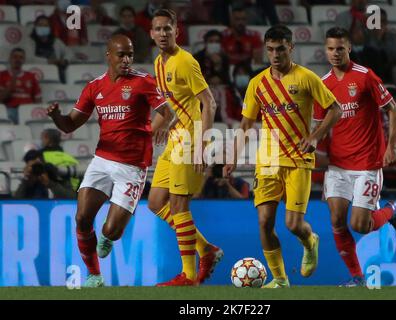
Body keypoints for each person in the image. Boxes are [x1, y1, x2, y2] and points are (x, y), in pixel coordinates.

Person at [46, 34, 176, 287]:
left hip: (132, 167)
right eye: (121, 54)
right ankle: (94, 275)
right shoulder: (95, 87)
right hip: (102, 161)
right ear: (109, 55)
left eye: (130, 54)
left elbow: (167, 112)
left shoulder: (143, 82)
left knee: (110, 231)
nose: (126, 60)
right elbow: (70, 125)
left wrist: (156, 129)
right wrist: (56, 117)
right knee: (82, 217)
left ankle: (108, 236)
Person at [224, 25, 342, 288]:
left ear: (291, 47)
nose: (275, 55)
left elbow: (336, 109)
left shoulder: (307, 78)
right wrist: (232, 157)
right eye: (270, 50)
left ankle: (310, 241)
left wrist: (314, 136)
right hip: (267, 161)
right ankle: (280, 279)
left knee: (292, 224)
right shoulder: (257, 83)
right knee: (264, 222)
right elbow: (245, 125)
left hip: (298, 160)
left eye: (280, 49)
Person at [313, 27, 396, 287]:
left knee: (360, 225)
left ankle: (391, 211)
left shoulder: (365, 76)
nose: (335, 53)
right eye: (331, 48)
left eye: (340, 48)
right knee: (335, 219)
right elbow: (320, 127)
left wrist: (391, 146)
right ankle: (357, 277)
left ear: (349, 48)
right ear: (325, 49)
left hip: (367, 163)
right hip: (337, 165)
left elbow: (393, 110)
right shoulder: (322, 85)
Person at [148, 9, 223, 286]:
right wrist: (152, 130)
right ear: (152, 33)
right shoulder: (158, 63)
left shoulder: (186, 62)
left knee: (179, 205)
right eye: (158, 29)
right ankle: (206, 249)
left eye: (168, 28)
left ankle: (189, 275)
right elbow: (172, 107)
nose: (163, 33)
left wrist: (202, 145)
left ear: (176, 30)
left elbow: (209, 103)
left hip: (191, 138)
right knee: (156, 202)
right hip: (175, 137)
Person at [0, 48, 42, 124]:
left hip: (27, 109)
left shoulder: (31, 76)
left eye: (21, 57)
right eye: (15, 57)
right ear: (10, 59)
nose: (18, 60)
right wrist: (13, 80)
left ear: (24, 60)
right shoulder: (2, 75)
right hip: (10, 108)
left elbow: (38, 99)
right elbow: (1, 98)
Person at [28, 15, 69, 83]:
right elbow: (28, 58)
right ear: (35, 27)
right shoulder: (29, 41)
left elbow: (69, 52)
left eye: (46, 25)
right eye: (40, 25)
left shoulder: (56, 41)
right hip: (36, 72)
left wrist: (65, 60)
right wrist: (48, 61)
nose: (43, 27)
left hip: (55, 73)